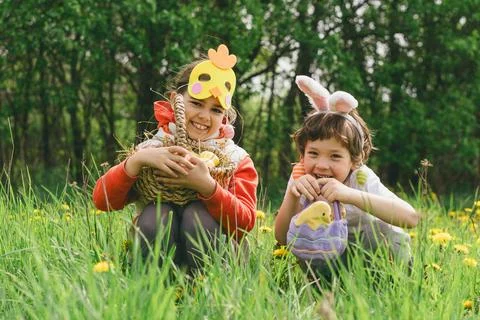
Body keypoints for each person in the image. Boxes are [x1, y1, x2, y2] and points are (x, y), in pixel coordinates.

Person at [93, 44, 258, 271]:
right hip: (156, 252)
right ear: (175, 100)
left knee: (197, 215)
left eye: (216, 110)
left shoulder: (234, 159)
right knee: (156, 214)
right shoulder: (154, 148)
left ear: (226, 116)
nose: (204, 116)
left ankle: (206, 290)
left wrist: (208, 187)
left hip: (217, 259)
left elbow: (245, 222)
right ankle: (153, 288)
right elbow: (103, 201)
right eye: (197, 103)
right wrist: (136, 161)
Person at [274, 75, 419, 278]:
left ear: (354, 160)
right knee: (308, 233)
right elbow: (281, 238)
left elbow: (410, 218)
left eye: (335, 156)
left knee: (384, 230)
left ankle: (395, 281)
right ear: (302, 154)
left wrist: (349, 195)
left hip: (370, 257)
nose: (322, 165)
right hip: (329, 258)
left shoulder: (360, 177)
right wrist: (292, 195)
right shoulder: (302, 177)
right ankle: (324, 290)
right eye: (313, 154)